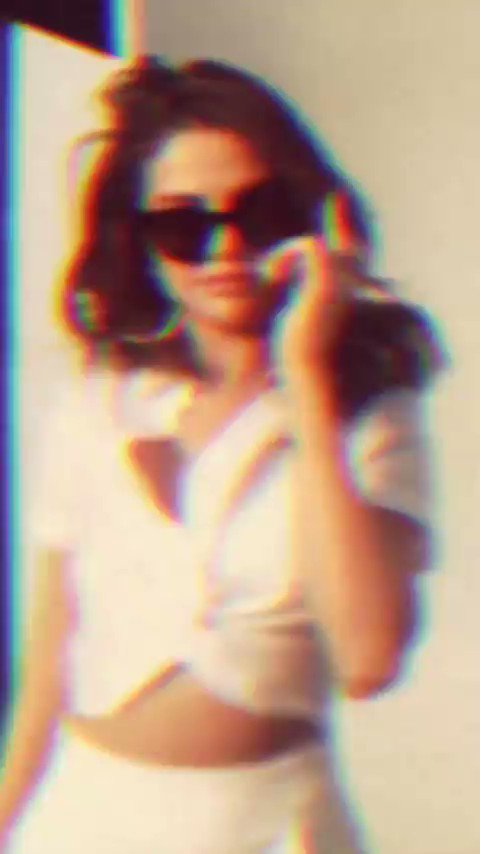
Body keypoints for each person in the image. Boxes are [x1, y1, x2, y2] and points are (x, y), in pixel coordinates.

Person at [0, 56, 448, 853]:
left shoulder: (368, 414)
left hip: (274, 827)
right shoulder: (98, 403)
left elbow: (368, 658)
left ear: (309, 219)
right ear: (141, 242)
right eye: (182, 226)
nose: (225, 246)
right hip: (81, 819)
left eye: (259, 212)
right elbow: (46, 671)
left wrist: (305, 372)